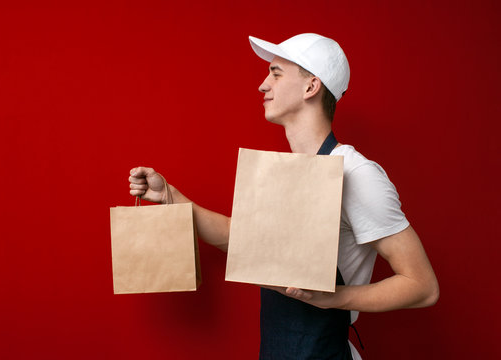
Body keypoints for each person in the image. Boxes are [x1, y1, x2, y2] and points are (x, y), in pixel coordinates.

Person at [128, 33, 439, 359]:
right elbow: (241, 239)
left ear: (311, 87)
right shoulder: (289, 171)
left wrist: (332, 298)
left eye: (275, 73)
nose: (263, 85)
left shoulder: (357, 173)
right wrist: (171, 198)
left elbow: (422, 285)